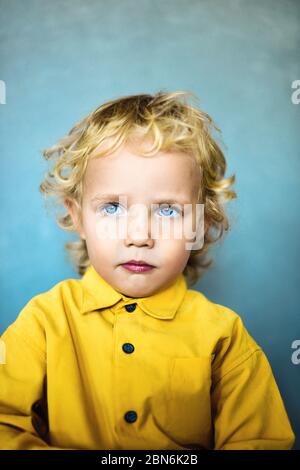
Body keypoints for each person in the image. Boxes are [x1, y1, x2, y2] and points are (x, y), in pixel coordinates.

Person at [0, 91, 295, 450]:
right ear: (78, 217)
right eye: (111, 207)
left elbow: (260, 440)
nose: (139, 236)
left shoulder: (224, 336)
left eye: (167, 211)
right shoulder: (43, 324)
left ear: (200, 223)